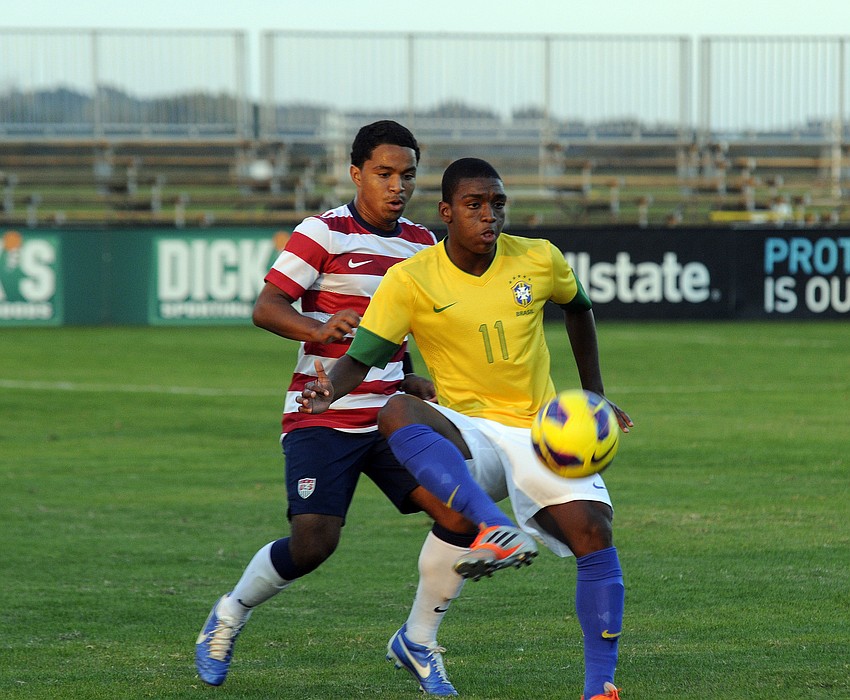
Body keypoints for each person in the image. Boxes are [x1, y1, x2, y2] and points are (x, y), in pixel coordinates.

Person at [194, 122, 534, 697]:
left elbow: (434, 320)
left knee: (456, 510)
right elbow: (266, 306)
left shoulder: (424, 245)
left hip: (392, 417)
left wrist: (415, 378)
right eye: (384, 173)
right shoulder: (321, 234)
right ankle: (230, 613)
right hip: (323, 412)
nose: (397, 185)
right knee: (314, 543)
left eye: (407, 175)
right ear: (357, 174)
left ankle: (419, 640)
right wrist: (318, 326)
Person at [299, 157, 634, 700]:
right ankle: (490, 528)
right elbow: (362, 358)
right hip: (468, 428)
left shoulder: (540, 258)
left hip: (542, 431)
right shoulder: (411, 279)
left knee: (594, 534)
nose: (489, 216)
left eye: (497, 204)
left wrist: (593, 393)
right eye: (475, 205)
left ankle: (600, 688)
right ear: (447, 212)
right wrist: (327, 390)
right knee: (395, 411)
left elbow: (579, 308)